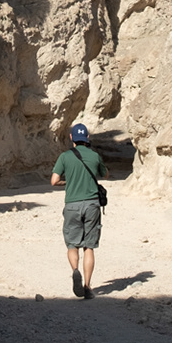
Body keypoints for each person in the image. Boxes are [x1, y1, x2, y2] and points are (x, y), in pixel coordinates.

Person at [50, 123, 105, 298]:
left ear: (71, 138)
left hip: (72, 205)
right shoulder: (95, 156)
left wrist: (68, 182)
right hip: (91, 205)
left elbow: (54, 181)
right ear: (87, 138)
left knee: (72, 244)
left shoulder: (65, 156)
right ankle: (88, 287)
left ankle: (75, 270)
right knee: (89, 246)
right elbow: (105, 174)